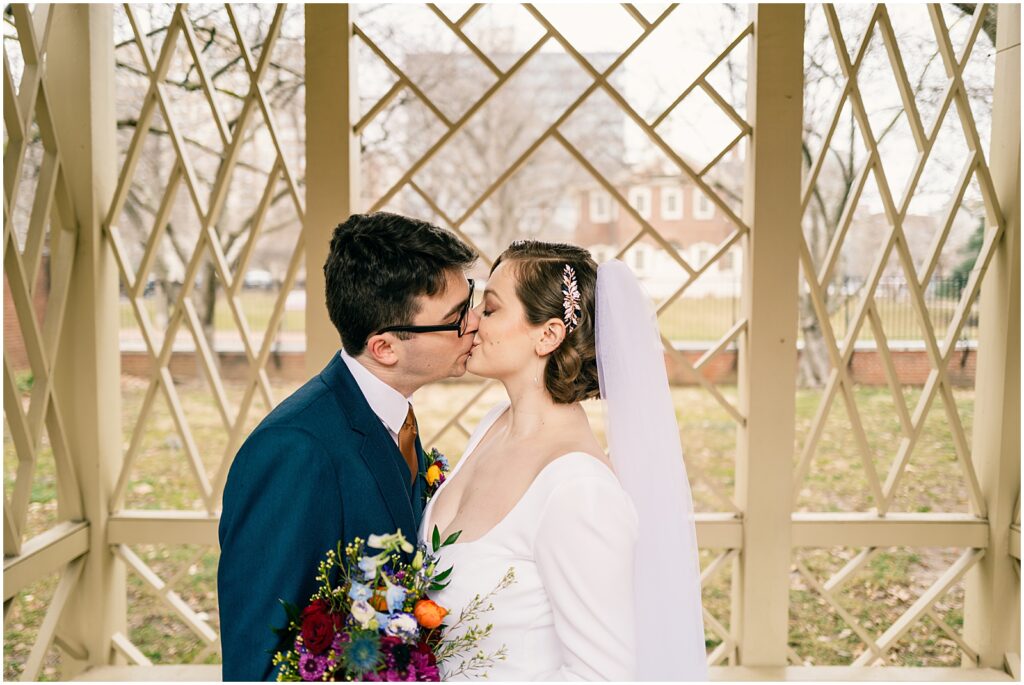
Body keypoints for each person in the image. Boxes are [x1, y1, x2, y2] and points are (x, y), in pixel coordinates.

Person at [420, 240, 707, 680]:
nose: (472, 319)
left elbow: (602, 676)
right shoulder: (492, 426)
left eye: (491, 309)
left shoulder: (579, 491)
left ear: (548, 335)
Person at [218, 212, 478, 681]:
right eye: (456, 317)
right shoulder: (294, 450)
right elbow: (256, 657)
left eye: (471, 301)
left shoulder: (395, 414)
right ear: (384, 348)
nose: (475, 323)